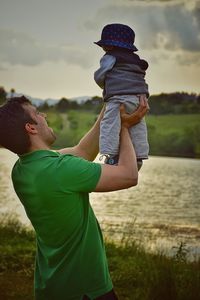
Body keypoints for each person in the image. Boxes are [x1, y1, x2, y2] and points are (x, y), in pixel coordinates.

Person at [0, 95, 148, 300]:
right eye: (37, 113)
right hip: (85, 289)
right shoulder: (61, 170)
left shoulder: (23, 169)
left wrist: (111, 108)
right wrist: (124, 128)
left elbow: (83, 151)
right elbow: (129, 175)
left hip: (50, 286)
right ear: (31, 128)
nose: (43, 115)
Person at [94, 23, 149, 169]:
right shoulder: (137, 60)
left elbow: (101, 75)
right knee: (138, 125)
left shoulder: (110, 57)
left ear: (109, 45)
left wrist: (102, 83)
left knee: (109, 125)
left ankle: (110, 156)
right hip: (139, 98)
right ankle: (138, 157)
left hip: (118, 97)